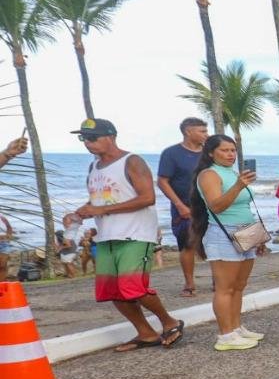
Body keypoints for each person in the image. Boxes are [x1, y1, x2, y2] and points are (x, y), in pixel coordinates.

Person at [66, 118, 184, 351]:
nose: (87, 143)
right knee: (113, 290)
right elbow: (103, 198)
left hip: (135, 234)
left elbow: (147, 197)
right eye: (83, 138)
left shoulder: (132, 161)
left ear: (111, 136)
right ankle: (145, 333)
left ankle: (169, 321)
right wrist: (81, 211)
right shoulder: (94, 167)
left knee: (133, 287)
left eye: (92, 138)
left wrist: (101, 209)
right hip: (107, 235)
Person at [190, 134, 263, 351]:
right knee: (225, 288)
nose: (231, 154)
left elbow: (241, 205)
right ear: (211, 152)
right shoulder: (209, 174)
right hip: (223, 234)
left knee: (239, 286)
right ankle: (225, 335)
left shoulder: (231, 172)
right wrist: (239, 186)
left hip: (246, 231)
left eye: (233, 150)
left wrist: (240, 183)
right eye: (225, 150)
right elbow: (216, 206)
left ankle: (236, 327)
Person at [156, 116, 207, 297]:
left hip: (210, 205)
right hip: (184, 206)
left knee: (215, 243)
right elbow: (162, 181)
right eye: (202, 131)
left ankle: (219, 280)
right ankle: (189, 283)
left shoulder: (209, 152)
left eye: (206, 131)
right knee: (187, 244)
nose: (205, 135)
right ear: (188, 131)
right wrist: (179, 204)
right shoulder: (172, 153)